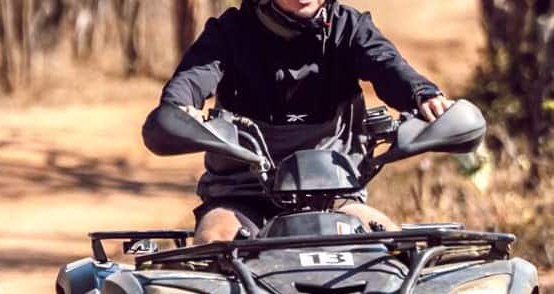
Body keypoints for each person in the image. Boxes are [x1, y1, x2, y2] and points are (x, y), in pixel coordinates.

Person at [158, 0, 455, 241]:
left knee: (391, 244)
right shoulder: (230, 32)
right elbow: (191, 81)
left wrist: (423, 94)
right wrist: (179, 107)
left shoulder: (350, 28)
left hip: (335, 198)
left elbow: (389, 66)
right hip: (241, 196)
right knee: (215, 239)